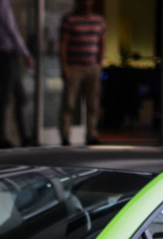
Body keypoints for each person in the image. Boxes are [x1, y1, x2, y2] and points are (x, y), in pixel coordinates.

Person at [0, 0, 34, 148]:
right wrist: (25, 53)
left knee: (20, 97)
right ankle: (1, 137)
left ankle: (25, 136)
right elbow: (12, 30)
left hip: (7, 55)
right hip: (7, 55)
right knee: (5, 98)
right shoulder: (1, 5)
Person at [59, 0, 105, 146]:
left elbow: (102, 41)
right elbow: (63, 44)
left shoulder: (99, 20)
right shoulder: (70, 20)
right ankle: (65, 136)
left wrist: (99, 63)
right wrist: (64, 66)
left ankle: (92, 134)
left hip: (92, 67)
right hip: (74, 67)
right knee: (69, 103)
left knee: (93, 104)